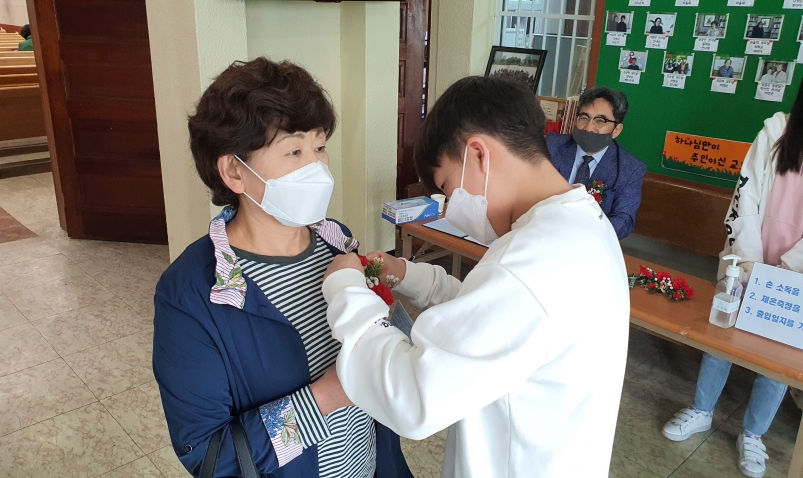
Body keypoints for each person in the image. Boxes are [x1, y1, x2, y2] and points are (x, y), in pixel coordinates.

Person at [320, 76, 630, 478]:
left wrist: (346, 290)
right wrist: (407, 273)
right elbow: (490, 315)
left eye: (448, 189)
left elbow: (412, 397)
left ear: (479, 154)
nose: (452, 209)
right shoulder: (580, 221)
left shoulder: (528, 264)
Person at [152, 58, 412, 478]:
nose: (317, 167)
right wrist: (330, 394)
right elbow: (210, 456)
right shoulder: (193, 294)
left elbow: (385, 353)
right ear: (234, 171)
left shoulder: (338, 243)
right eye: (294, 151)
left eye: (320, 147)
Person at [662, 80, 803, 478]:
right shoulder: (776, 130)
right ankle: (702, 409)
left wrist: (785, 272)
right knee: (722, 333)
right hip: (747, 255)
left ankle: (754, 434)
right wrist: (752, 262)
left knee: (779, 351)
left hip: (795, 273)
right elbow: (747, 196)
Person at [546, 86, 647, 239]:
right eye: (584, 117)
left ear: (616, 130)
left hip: (590, 241)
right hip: (543, 230)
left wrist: (586, 233)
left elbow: (624, 219)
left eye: (600, 121)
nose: (589, 128)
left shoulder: (629, 168)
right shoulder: (551, 146)